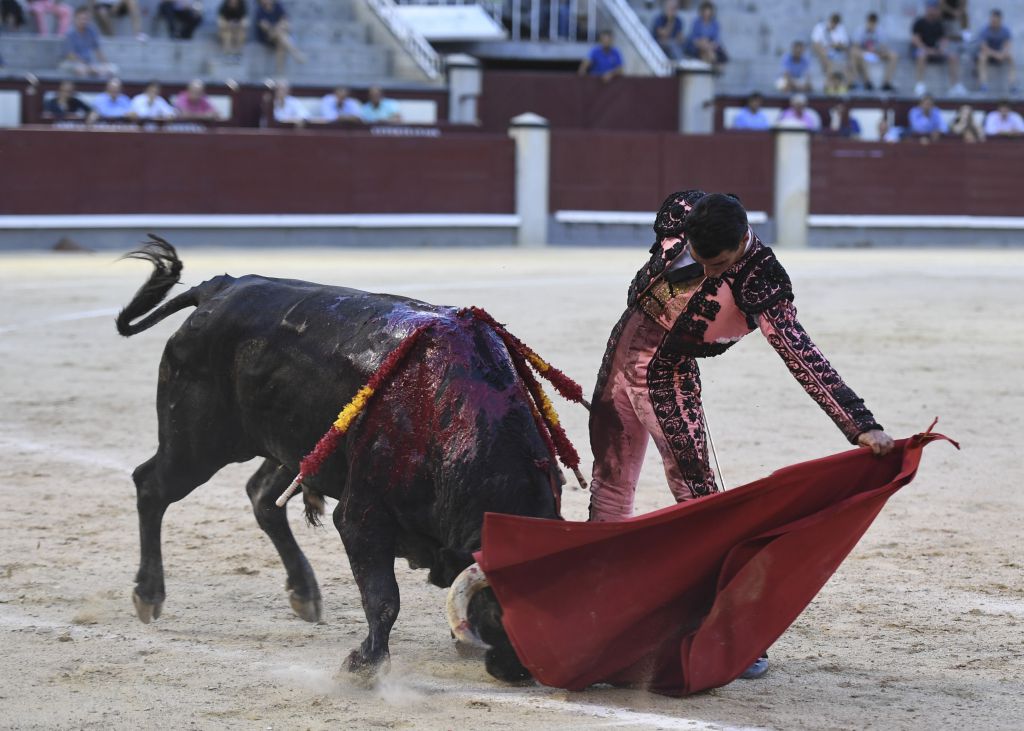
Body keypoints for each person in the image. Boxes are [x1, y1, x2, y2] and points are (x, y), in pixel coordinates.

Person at [588, 192, 893, 683]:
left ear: (741, 242)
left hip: (666, 375)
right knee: (609, 484)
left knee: (701, 503)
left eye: (721, 264)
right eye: (702, 261)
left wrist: (860, 423)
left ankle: (733, 631)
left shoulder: (763, 278)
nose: (710, 273)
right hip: (622, 350)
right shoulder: (681, 212)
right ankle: (591, 608)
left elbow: (801, 355)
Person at [911, 0, 964, 97]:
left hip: (936, 51)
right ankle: (919, 85)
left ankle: (955, 86)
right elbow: (915, 40)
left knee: (953, 56)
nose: (933, 11)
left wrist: (940, 49)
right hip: (924, 50)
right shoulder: (919, 22)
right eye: (931, 8)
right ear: (927, 9)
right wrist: (927, 50)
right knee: (921, 54)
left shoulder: (939, 23)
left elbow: (944, 39)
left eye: (935, 8)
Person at [60, 7, 118, 77]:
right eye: (81, 19)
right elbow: (70, 55)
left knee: (113, 69)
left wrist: (105, 64)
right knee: (80, 70)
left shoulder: (91, 31)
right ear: (75, 19)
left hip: (89, 63)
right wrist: (86, 65)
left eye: (86, 19)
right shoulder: (69, 33)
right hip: (72, 63)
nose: (83, 21)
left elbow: (98, 50)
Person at [851, 12, 897, 92]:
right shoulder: (860, 30)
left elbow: (884, 47)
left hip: (876, 54)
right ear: (867, 21)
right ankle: (867, 82)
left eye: (873, 23)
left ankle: (886, 83)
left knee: (894, 55)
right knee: (855, 53)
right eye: (870, 22)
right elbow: (855, 46)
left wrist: (876, 51)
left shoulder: (880, 31)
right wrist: (865, 51)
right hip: (864, 54)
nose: (871, 25)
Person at [255, 0, 304, 74]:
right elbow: (265, 27)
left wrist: (279, 26)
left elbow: (285, 19)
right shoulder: (259, 10)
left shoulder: (277, 6)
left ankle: (279, 72)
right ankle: (295, 53)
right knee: (281, 33)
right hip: (267, 37)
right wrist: (278, 26)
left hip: (279, 35)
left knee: (281, 44)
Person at [976, 9, 1016, 92]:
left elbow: (1008, 45)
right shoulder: (985, 30)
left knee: (1011, 57)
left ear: (1000, 20)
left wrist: (1002, 53)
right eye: (992, 20)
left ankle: (1012, 85)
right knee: (982, 57)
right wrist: (996, 54)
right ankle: (983, 85)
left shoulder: (1005, 30)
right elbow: (984, 47)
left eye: (995, 20)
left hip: (1000, 54)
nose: (993, 22)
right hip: (990, 54)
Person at [684, 1, 727, 70]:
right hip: (698, 46)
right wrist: (701, 43)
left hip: (710, 46)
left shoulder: (715, 24)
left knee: (713, 53)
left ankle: (711, 65)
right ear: (702, 12)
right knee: (707, 53)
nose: (706, 14)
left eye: (708, 12)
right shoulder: (696, 22)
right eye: (705, 12)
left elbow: (717, 40)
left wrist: (709, 45)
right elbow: (692, 38)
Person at [810, 12, 851, 82]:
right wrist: (826, 48)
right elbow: (815, 43)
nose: (834, 25)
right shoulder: (820, 27)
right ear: (829, 20)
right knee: (823, 53)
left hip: (836, 53)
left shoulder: (841, 29)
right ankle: (829, 81)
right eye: (833, 22)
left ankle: (847, 82)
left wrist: (835, 45)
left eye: (836, 23)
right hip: (822, 51)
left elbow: (844, 44)